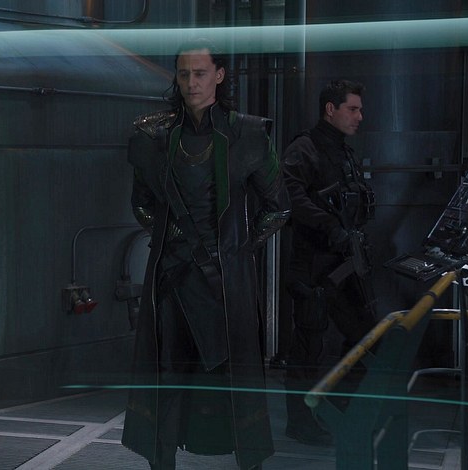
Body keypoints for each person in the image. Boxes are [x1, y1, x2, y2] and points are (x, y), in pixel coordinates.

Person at [121, 38, 291, 470]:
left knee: (233, 379)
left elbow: (278, 208)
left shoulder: (248, 134)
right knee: (167, 374)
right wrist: (172, 236)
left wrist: (235, 250)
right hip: (171, 281)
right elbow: (142, 204)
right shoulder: (153, 136)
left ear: (219, 75)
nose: (191, 83)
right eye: (184, 74)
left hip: (225, 283)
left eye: (199, 73)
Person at [281, 79, 378, 446]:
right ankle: (301, 422)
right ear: (330, 109)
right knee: (308, 346)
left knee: (366, 338)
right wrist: (329, 226)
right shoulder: (305, 149)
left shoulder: (342, 151)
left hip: (343, 262)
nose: (359, 116)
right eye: (352, 109)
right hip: (313, 265)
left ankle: (334, 410)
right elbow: (288, 197)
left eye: (360, 109)